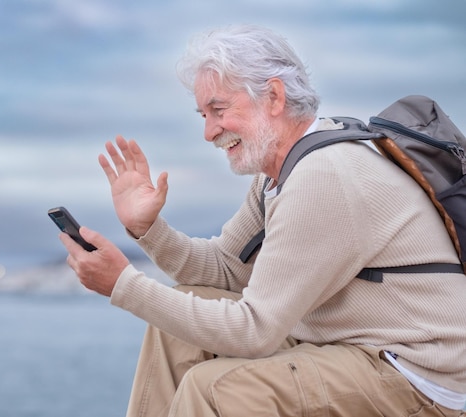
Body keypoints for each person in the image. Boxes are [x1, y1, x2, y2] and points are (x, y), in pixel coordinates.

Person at [58, 25, 466, 416]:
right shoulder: (277, 177)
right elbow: (224, 269)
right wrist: (148, 229)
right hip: (354, 345)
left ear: (273, 96)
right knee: (179, 323)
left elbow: (254, 332)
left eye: (218, 110)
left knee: (215, 389)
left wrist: (123, 286)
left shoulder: (323, 174)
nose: (208, 132)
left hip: (416, 374)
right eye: (202, 114)